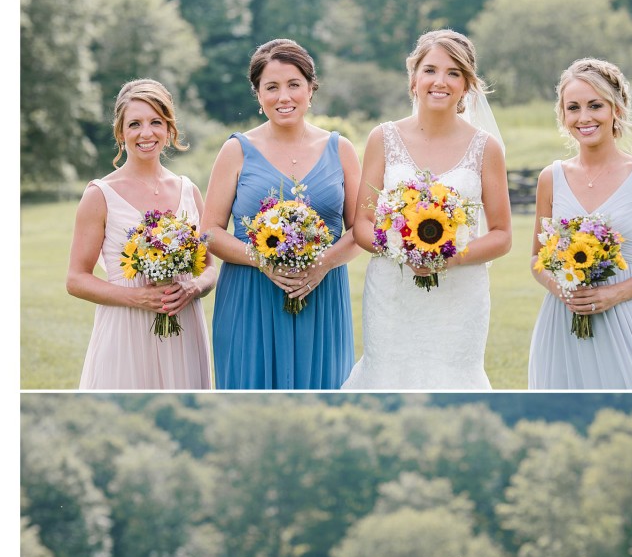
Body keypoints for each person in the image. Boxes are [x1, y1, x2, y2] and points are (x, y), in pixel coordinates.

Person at [342, 28, 511, 390]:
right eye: (431, 70)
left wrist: (447, 258)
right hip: (393, 291)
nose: (441, 81)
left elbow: (501, 236)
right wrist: (403, 250)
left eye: (454, 73)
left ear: (467, 85)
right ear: (414, 78)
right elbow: (363, 223)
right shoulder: (382, 138)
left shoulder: (486, 148)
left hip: (460, 294)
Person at [203, 39, 361, 389]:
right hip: (250, 298)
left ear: (310, 88)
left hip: (322, 296)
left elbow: (360, 231)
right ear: (258, 96)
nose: (283, 96)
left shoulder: (341, 150)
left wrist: (322, 265)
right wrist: (262, 260)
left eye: (293, 84)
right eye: (271, 87)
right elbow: (210, 230)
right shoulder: (236, 150)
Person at [527, 57, 632, 389]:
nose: (584, 117)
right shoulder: (550, 178)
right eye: (573, 108)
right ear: (563, 115)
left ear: (617, 109)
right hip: (561, 319)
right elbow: (537, 259)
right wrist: (564, 290)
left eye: (595, 105)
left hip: (624, 317)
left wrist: (614, 293)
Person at [67, 78, 216, 389]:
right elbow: (76, 279)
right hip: (126, 329)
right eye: (134, 124)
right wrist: (138, 297)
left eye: (155, 122)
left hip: (184, 327)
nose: (146, 133)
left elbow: (210, 268)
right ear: (121, 132)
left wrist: (193, 287)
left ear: (169, 129)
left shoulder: (189, 190)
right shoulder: (100, 194)